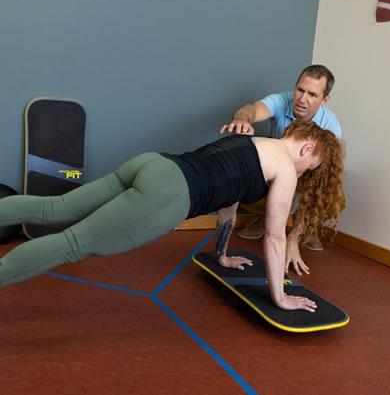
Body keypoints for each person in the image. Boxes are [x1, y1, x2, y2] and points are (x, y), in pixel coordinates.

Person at [0, 121, 344, 312]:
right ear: (306, 148)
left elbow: (229, 203)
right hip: (168, 195)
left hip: (153, 164)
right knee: (71, 244)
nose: (301, 175)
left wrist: (221, 254)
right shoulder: (285, 167)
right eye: (307, 168)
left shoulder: (255, 143)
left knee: (53, 208)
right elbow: (274, 236)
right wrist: (280, 297)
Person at [220, 64, 343, 275]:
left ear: (325, 100)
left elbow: (321, 183)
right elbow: (251, 109)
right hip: (276, 174)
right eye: (300, 90)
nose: (302, 99)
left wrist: (292, 240)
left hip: (307, 178)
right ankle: (265, 219)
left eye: (312, 95)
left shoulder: (331, 126)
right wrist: (242, 119)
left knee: (335, 198)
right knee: (247, 183)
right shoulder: (281, 101)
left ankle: (305, 228)